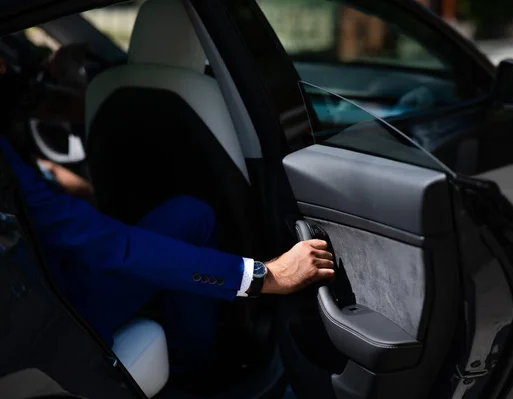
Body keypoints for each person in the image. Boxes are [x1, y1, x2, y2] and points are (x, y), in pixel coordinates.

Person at [0, 134, 335, 374]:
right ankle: (196, 377)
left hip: (38, 283)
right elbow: (101, 244)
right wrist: (264, 276)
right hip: (38, 327)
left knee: (190, 217)